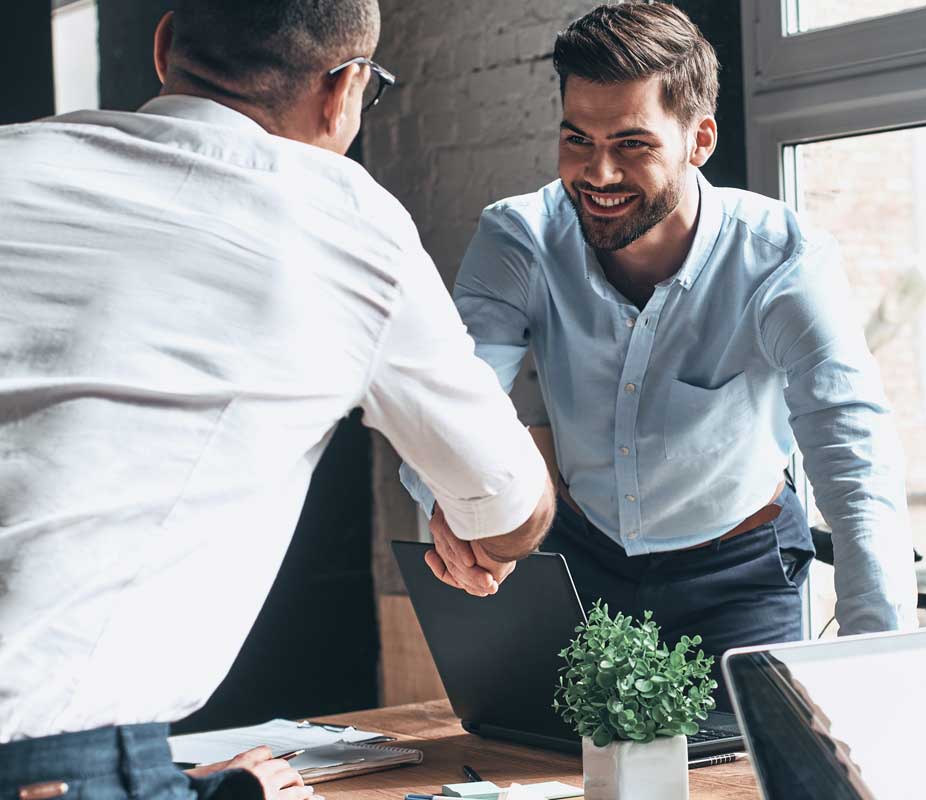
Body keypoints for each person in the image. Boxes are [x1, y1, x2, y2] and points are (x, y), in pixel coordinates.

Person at [0, 1, 555, 797]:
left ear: (164, 48)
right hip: (54, 765)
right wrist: (473, 525)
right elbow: (509, 508)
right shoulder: (342, 218)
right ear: (344, 91)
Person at [400, 2, 918, 678]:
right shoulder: (520, 237)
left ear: (698, 141)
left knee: (744, 776)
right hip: (580, 560)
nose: (599, 174)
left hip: (738, 576)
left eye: (632, 144)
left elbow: (855, 460)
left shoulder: (782, 260)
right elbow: (451, 397)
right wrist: (449, 498)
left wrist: (877, 663)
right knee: (549, 773)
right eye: (577, 140)